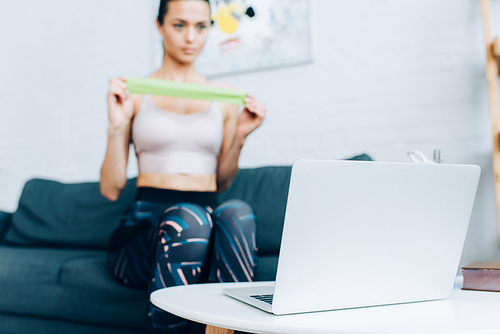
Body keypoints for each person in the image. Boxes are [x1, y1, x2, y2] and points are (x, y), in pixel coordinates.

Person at [100, 0, 266, 333]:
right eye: (179, 25)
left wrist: (241, 138)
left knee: (237, 211)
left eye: (201, 26)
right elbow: (111, 187)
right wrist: (117, 127)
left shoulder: (224, 97)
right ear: (159, 26)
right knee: (188, 219)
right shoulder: (134, 93)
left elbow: (220, 183)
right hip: (148, 229)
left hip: (207, 223)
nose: (191, 37)